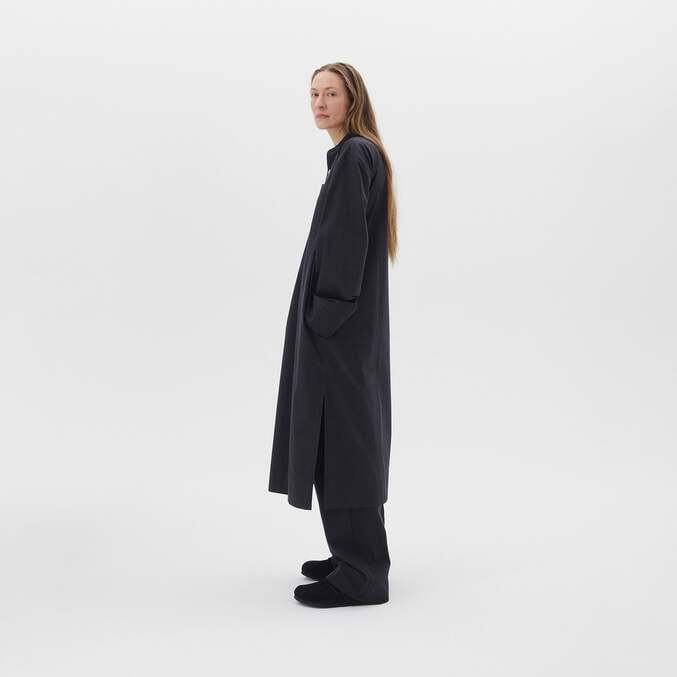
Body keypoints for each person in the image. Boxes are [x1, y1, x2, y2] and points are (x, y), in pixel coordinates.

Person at [268, 62, 398, 608]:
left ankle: (364, 574)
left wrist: (322, 322)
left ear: (353, 99)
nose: (320, 103)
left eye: (331, 94)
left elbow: (346, 249)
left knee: (347, 445)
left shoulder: (354, 155)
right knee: (341, 443)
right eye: (314, 94)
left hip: (338, 335)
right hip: (343, 333)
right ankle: (351, 555)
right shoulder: (355, 155)